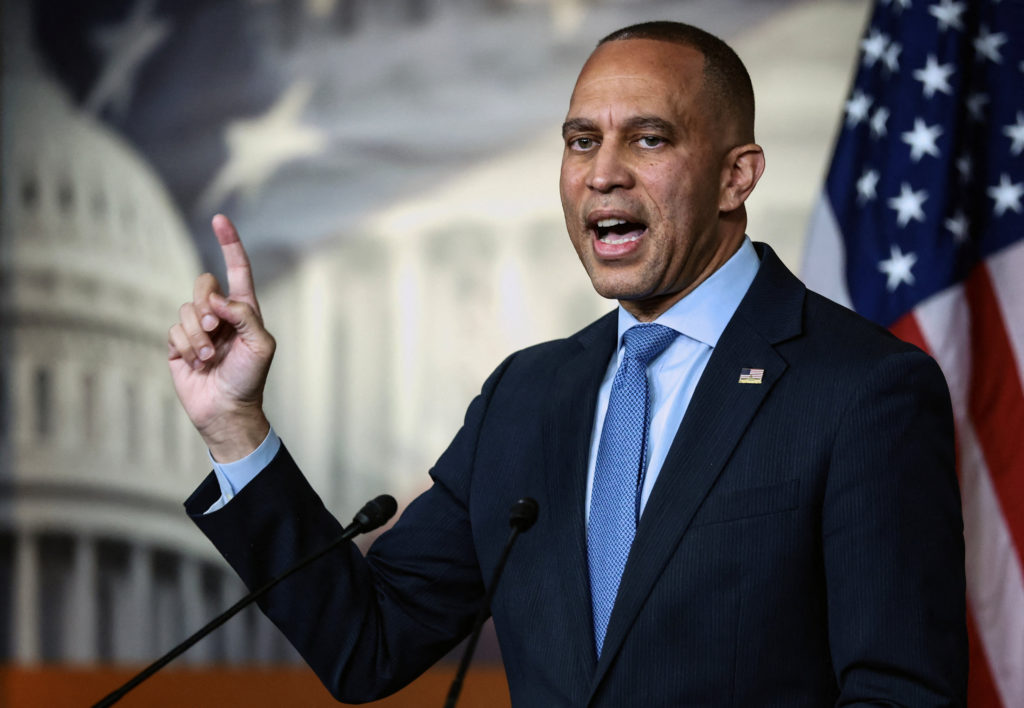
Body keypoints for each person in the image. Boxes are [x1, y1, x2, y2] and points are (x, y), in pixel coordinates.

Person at [168, 21, 967, 706]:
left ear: (737, 176)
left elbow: (899, 695)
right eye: (582, 141)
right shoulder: (527, 396)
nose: (603, 172)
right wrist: (235, 426)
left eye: (648, 139)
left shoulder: (863, 390)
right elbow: (368, 641)